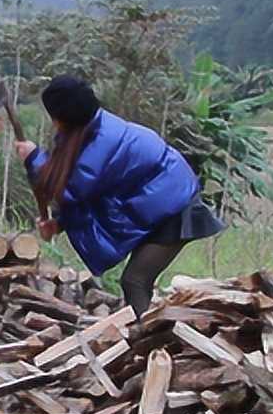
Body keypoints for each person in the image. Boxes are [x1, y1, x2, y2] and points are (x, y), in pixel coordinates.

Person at [16, 74, 225, 320]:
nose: (54, 124)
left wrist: (32, 158)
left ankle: (153, 345)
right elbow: (94, 196)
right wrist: (59, 223)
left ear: (64, 117)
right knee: (136, 282)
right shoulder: (89, 130)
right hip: (157, 204)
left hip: (175, 208)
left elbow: (71, 190)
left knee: (135, 280)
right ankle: (145, 338)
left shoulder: (104, 141)